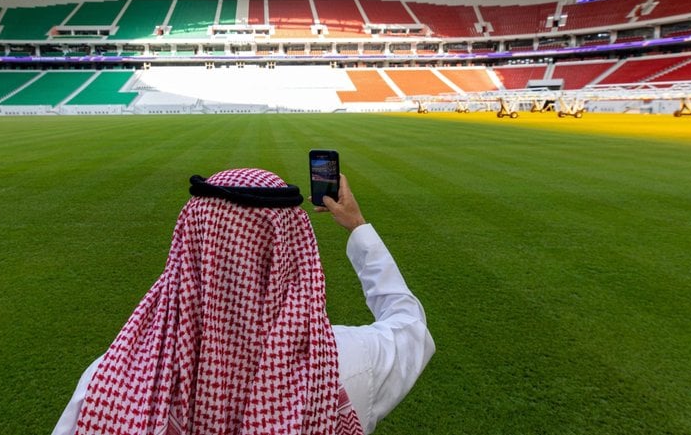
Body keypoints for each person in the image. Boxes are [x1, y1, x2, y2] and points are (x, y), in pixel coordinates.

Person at [52, 168, 434, 435]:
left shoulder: (115, 381)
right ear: (290, 252)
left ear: (191, 250)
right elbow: (410, 324)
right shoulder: (342, 363)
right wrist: (357, 225)